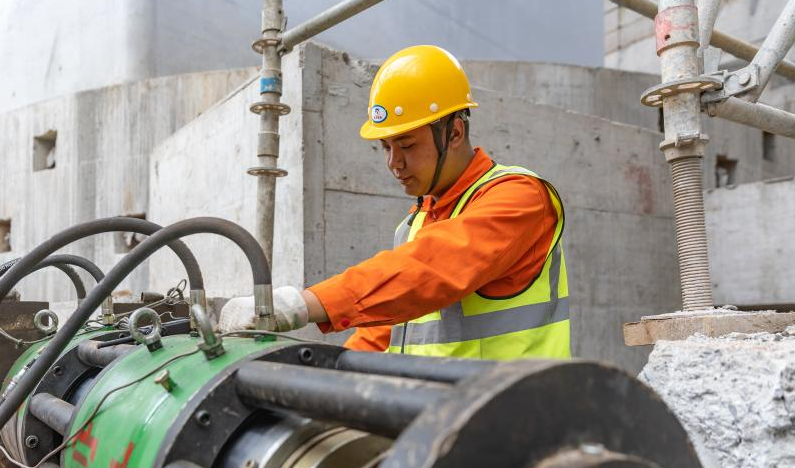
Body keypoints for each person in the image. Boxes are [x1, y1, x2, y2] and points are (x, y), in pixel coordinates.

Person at [219, 45, 569, 360]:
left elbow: (431, 268)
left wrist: (301, 304)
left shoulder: (521, 198)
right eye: (385, 147)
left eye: (407, 145)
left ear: (454, 133)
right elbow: (390, 324)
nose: (393, 162)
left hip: (518, 406)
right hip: (444, 406)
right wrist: (333, 372)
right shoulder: (415, 223)